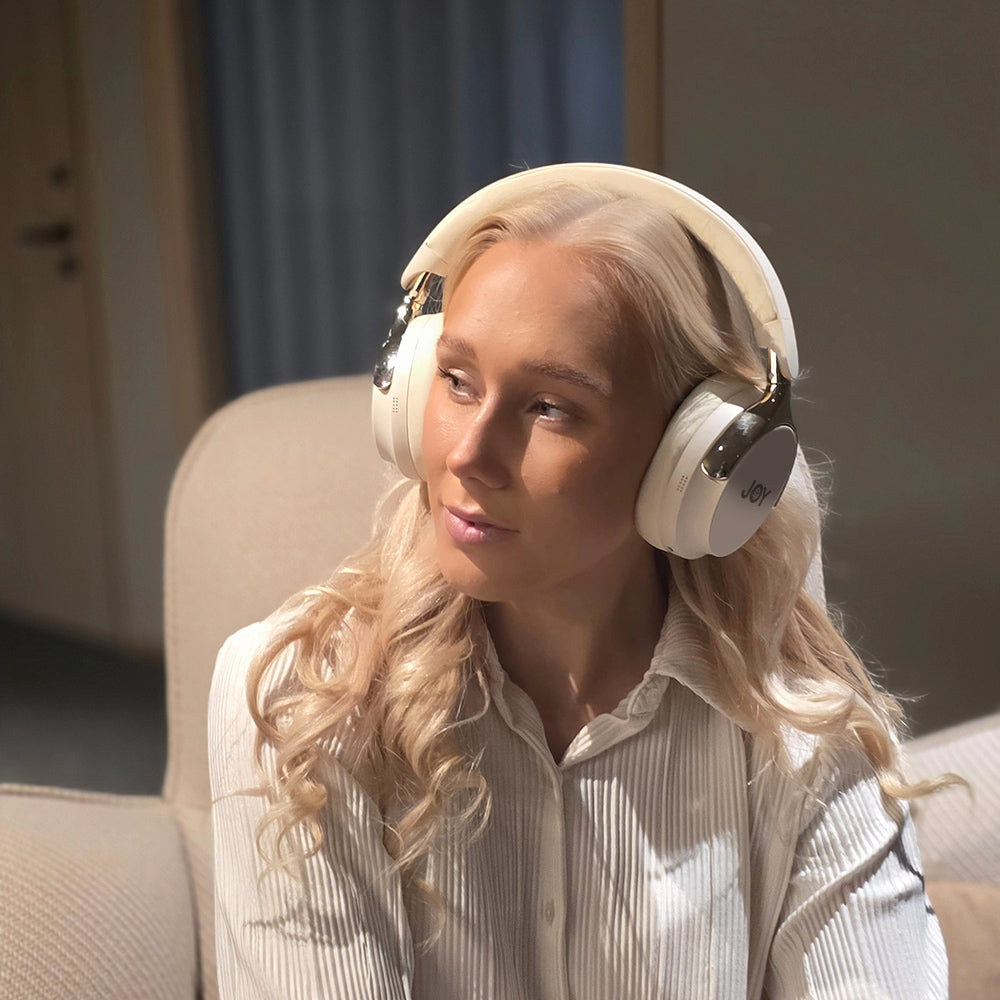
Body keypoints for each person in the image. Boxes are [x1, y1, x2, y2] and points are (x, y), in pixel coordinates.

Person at [209, 164, 948, 999]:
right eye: (457, 381)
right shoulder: (298, 703)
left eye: (550, 407)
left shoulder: (807, 742)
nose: (468, 455)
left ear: (688, 460)